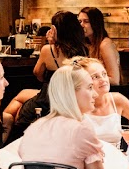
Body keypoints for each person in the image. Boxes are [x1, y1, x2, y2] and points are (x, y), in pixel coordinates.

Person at [5, 11, 88, 144]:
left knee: (17, 101)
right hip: (70, 98)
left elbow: (38, 74)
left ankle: (5, 135)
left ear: (54, 29)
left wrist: (50, 43)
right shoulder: (84, 51)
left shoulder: (48, 50)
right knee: (23, 94)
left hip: (48, 99)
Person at [72, 56, 129, 145]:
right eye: (95, 77)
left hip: (117, 153)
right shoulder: (77, 106)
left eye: (104, 74)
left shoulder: (117, 99)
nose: (103, 79)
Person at [79, 7, 121, 85]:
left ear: (96, 24)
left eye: (86, 21)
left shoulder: (105, 44)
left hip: (109, 89)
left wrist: (87, 77)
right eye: (80, 21)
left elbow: (115, 80)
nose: (81, 25)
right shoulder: (88, 45)